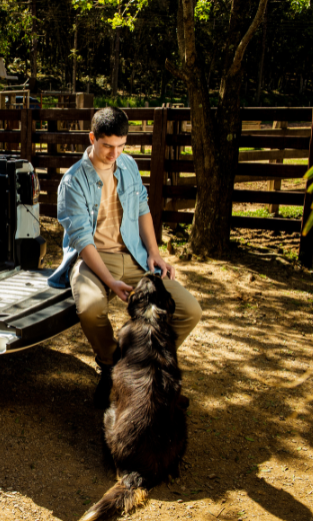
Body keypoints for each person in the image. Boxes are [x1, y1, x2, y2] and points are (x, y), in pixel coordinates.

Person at [48, 107, 202, 408]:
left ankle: (143, 365)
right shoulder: (73, 181)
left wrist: (155, 255)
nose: (114, 153)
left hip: (133, 256)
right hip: (92, 259)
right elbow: (82, 240)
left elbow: (142, 208)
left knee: (189, 310)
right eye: (107, 146)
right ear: (92, 138)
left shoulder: (128, 165)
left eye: (121, 146)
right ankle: (110, 364)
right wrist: (109, 281)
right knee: (90, 307)